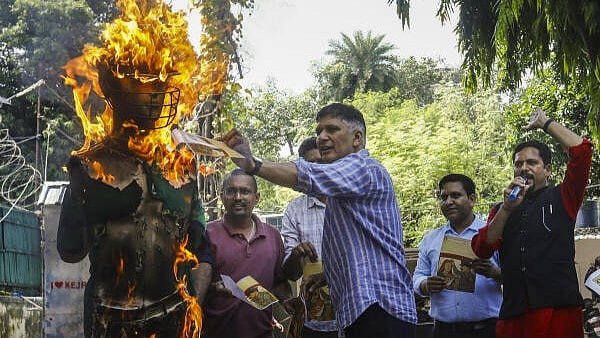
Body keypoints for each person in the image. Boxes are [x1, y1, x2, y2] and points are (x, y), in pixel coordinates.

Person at [223, 103, 417, 338]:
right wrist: (330, 274)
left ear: (357, 138)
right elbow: (365, 250)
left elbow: (309, 174)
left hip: (379, 310)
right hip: (364, 313)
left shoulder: (363, 168)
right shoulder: (342, 190)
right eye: (319, 132)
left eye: (332, 130)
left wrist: (253, 165)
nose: (321, 138)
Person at [57, 65, 213, 337]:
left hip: (176, 317)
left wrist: (194, 301)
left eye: (161, 86)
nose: (157, 95)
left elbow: (199, 247)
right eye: (146, 84)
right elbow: (69, 251)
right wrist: (78, 195)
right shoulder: (90, 166)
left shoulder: (183, 166)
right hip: (110, 321)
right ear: (115, 93)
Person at [471, 108, 593, 338]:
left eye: (532, 163)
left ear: (547, 170)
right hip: (514, 316)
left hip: (558, 313)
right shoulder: (502, 209)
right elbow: (482, 248)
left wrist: (545, 123)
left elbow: (583, 152)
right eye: (518, 164)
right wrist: (507, 209)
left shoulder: (563, 196)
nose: (524, 168)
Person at [202, 169, 289, 338]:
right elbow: (191, 287)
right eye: (231, 191)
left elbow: (279, 282)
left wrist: (287, 301)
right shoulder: (207, 234)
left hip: (262, 333)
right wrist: (212, 288)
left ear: (257, 197)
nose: (238, 197)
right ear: (221, 196)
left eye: (245, 191)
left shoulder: (272, 236)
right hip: (216, 333)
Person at [413, 174, 502, 338]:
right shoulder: (431, 239)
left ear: (472, 199)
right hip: (443, 331)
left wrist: (493, 272)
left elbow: (517, 276)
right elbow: (418, 276)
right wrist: (425, 284)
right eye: (444, 197)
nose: (448, 202)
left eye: (455, 195)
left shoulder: (492, 235)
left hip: (486, 330)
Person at [280, 136, 337, 338]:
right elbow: (291, 274)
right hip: (314, 315)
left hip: (352, 312)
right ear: (303, 169)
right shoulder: (295, 211)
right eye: (310, 165)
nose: (317, 170)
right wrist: (297, 254)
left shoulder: (347, 202)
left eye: (321, 163)